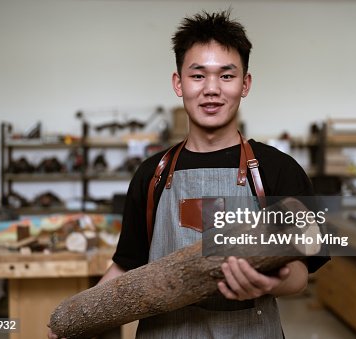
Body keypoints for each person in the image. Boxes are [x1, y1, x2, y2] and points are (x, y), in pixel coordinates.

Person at [49, 9, 328, 339]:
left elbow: (300, 271)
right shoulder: (152, 175)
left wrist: (271, 282)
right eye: (198, 76)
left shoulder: (277, 170)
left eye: (226, 76)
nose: (211, 89)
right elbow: (127, 266)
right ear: (178, 83)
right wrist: (78, 317)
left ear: (245, 84)